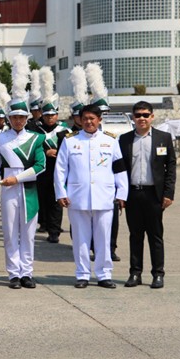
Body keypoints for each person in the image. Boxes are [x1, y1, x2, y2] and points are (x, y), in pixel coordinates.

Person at [54, 104, 128, 289]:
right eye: (85, 118)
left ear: (99, 120)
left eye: (92, 118)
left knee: (104, 238)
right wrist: (61, 192)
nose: (88, 122)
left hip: (104, 197)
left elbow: (119, 169)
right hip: (77, 198)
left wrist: (122, 193)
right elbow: (60, 169)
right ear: (80, 120)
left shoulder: (111, 140)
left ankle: (104, 274)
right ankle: (82, 274)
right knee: (80, 239)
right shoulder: (70, 141)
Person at [0, 101, 45, 289]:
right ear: (9, 118)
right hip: (7, 189)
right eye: (14, 117)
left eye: (21, 117)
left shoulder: (36, 138)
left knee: (28, 234)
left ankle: (26, 273)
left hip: (28, 189)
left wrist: (17, 179)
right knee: (10, 232)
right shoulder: (0, 139)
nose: (18, 120)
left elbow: (41, 165)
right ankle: (13, 274)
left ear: (27, 118)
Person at [118, 101, 176, 289]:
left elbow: (171, 167)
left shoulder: (163, 138)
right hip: (133, 194)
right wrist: (120, 194)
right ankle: (135, 273)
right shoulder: (124, 140)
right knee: (135, 235)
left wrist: (168, 193)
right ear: (132, 118)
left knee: (155, 235)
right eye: (138, 115)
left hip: (154, 195)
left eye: (145, 115)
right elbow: (119, 169)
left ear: (152, 117)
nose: (141, 118)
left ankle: (158, 274)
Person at [27, 100, 70, 243]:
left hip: (58, 169)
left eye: (53, 115)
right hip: (41, 170)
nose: (50, 118)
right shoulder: (35, 130)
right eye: (47, 115)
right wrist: (46, 152)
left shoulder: (64, 131)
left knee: (56, 201)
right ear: (42, 116)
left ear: (57, 115)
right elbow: (30, 148)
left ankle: (54, 231)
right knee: (41, 199)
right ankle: (43, 223)